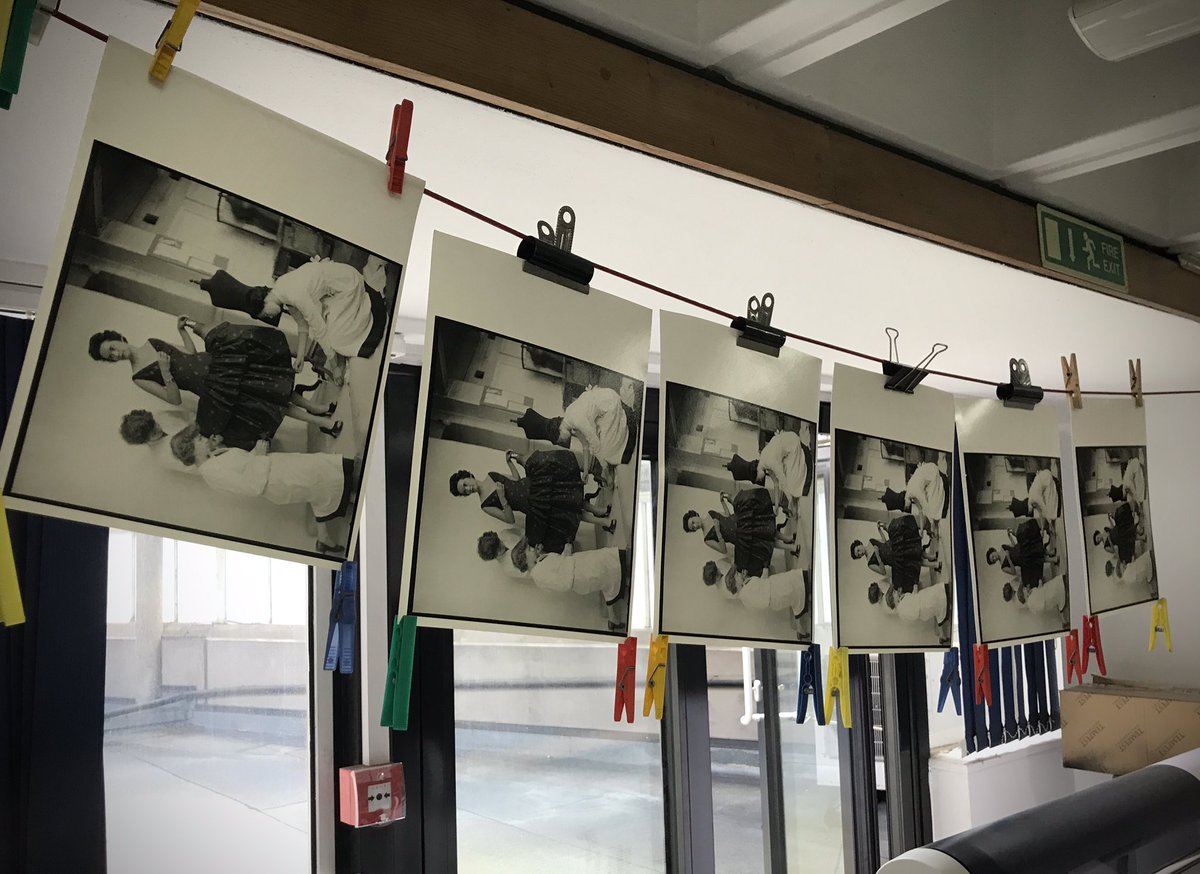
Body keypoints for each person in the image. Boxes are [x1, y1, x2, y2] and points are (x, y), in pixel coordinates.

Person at [89, 320, 340, 449]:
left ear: (117, 338)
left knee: (273, 385)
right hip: (214, 387)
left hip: (219, 362)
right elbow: (174, 399)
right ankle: (324, 423)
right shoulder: (138, 376)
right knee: (272, 403)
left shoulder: (151, 342)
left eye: (112, 347)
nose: (115, 354)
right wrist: (165, 372)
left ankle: (316, 408)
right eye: (109, 356)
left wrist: (183, 332)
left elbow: (188, 352)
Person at [170, 425, 354, 549]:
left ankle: (324, 540)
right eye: (198, 439)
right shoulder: (212, 473)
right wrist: (259, 455)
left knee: (321, 478)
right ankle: (353, 496)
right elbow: (251, 487)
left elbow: (244, 464)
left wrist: (259, 451)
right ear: (192, 451)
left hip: (278, 469)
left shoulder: (213, 458)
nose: (203, 438)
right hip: (277, 481)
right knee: (322, 478)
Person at [450, 449, 613, 552]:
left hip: (535, 484)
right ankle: (605, 522)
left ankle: (600, 511)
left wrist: (509, 463)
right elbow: (510, 519)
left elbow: (515, 479)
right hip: (534, 505)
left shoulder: (490, 475)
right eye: (464, 491)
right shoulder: (484, 505)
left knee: (571, 499)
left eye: (464, 484)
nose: (467, 489)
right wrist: (501, 497)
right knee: (571, 513)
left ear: (468, 476)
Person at [258, 259, 387, 361]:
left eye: (264, 313)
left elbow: (319, 328)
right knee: (330, 326)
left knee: (336, 340)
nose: (269, 317)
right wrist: (300, 356)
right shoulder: (280, 289)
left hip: (346, 283)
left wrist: (334, 364)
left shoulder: (294, 295)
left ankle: (375, 314)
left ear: (264, 301)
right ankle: (366, 307)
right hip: (336, 289)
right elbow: (302, 324)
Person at [518, 542, 630, 631]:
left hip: (580, 565)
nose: (532, 549)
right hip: (581, 574)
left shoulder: (539, 563)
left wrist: (565, 553)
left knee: (607, 565)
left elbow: (558, 565)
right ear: (525, 560)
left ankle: (613, 619)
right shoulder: (539, 574)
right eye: (529, 550)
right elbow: (564, 584)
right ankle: (630, 569)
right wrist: (567, 555)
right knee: (608, 568)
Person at [683, 487, 791, 576]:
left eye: (693, 522)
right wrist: (717, 531)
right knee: (766, 541)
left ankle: (788, 538)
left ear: (695, 515)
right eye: (693, 528)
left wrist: (722, 502)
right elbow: (723, 549)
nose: (695, 525)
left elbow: (727, 515)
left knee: (767, 529)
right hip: (741, 537)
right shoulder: (706, 538)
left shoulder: (710, 513)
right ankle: (791, 547)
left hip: (741, 520)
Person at [554, 384, 639, 481]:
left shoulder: (577, 420)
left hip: (609, 402)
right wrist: (586, 470)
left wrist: (606, 472)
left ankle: (630, 423)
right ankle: (624, 415)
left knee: (607, 451)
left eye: (560, 438)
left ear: (560, 429)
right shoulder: (569, 418)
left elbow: (595, 444)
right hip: (605, 399)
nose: (562, 440)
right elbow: (585, 446)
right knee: (601, 441)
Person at [850, 515, 939, 594]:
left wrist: (880, 530)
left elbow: (883, 542)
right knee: (914, 561)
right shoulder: (869, 563)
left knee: (914, 549)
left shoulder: (871, 541)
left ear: (860, 544)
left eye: (858, 550)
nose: (860, 553)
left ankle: (932, 556)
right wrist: (877, 555)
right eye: (858, 555)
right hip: (895, 559)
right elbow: (883, 571)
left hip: (895, 544)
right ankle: (935, 564)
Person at [119, 408, 198, 474]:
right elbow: (196, 466)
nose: (158, 429)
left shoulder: (162, 416)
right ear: (144, 441)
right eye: (153, 433)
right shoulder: (162, 456)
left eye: (155, 425)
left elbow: (189, 415)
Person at [870, 580, 948, 626]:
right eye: (895, 592)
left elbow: (912, 599)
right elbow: (914, 604)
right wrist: (914, 589)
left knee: (930, 594)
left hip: (919, 606)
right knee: (933, 597)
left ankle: (941, 596)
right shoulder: (894, 608)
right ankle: (942, 598)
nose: (896, 592)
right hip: (922, 606)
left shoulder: (901, 604)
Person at [905, 461, 949, 532]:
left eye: (906, 504)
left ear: (905, 499)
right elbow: (920, 511)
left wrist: (931, 522)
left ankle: (945, 485)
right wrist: (921, 529)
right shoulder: (910, 493)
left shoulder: (913, 491)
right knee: (929, 504)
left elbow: (925, 504)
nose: (908, 505)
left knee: (932, 508)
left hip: (932, 471)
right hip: (929, 469)